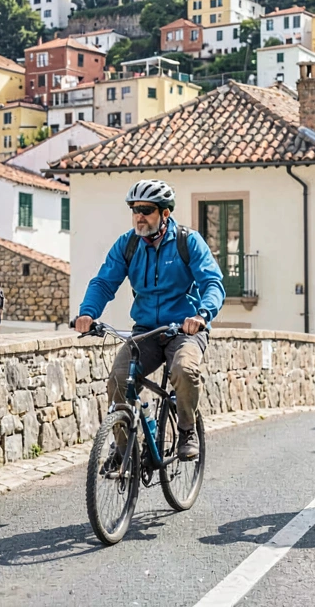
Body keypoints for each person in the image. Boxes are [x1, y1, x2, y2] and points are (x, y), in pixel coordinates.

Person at [73, 179, 225, 461]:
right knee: (118, 379)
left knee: (183, 369)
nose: (139, 216)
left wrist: (201, 315)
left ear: (165, 213)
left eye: (146, 209)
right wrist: (87, 313)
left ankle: (186, 431)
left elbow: (213, 283)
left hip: (185, 329)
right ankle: (123, 448)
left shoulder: (187, 241)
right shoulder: (128, 245)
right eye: (134, 209)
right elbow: (105, 282)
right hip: (146, 331)